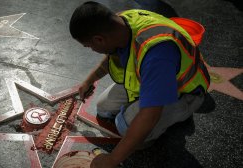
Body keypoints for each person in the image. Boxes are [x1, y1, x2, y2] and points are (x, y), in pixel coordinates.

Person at [69, 1, 210, 168]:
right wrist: (89, 80)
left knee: (126, 126)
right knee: (104, 108)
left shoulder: (157, 54)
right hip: (152, 76)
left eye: (89, 46)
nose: (91, 50)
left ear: (99, 39)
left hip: (185, 91)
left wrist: (112, 160)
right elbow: (112, 54)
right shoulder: (119, 22)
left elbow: (150, 115)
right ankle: (140, 103)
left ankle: (180, 112)